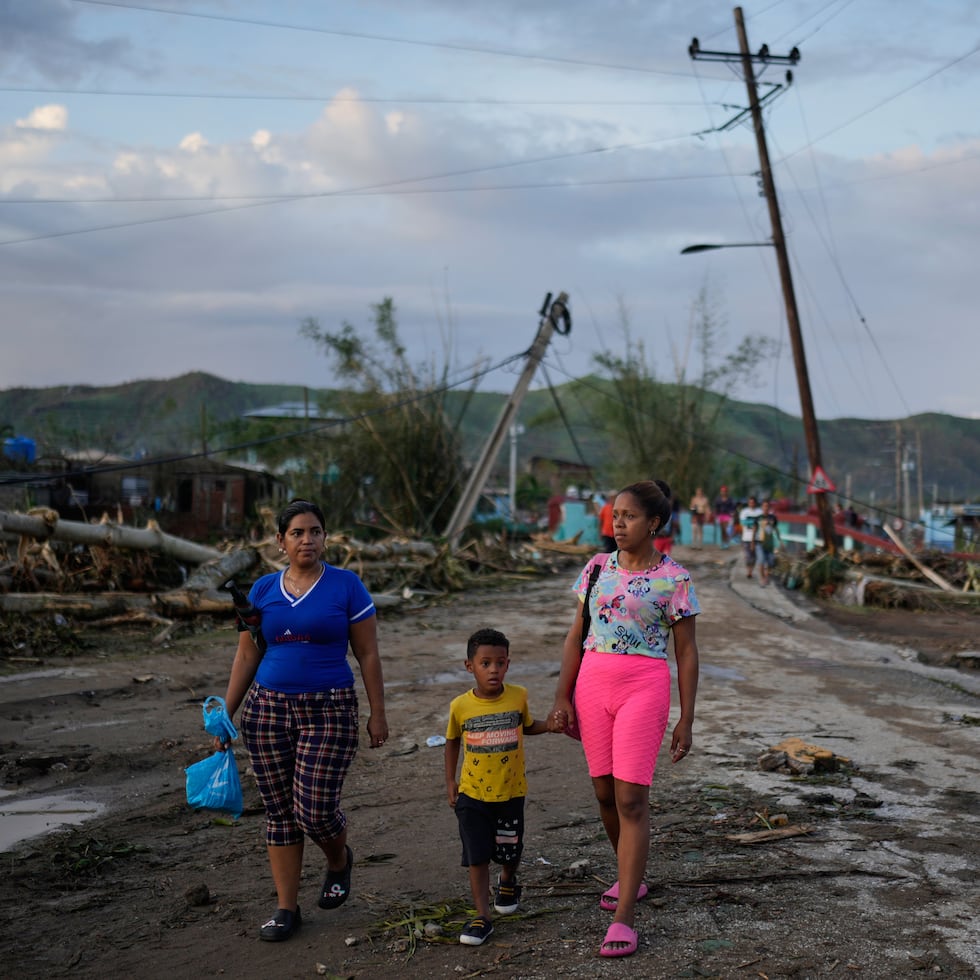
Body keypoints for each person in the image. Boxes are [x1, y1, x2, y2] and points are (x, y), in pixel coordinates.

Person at [215, 499, 388, 943]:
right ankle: (286, 908)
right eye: (297, 533)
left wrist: (377, 714)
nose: (307, 540)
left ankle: (337, 860)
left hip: (329, 708)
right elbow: (247, 653)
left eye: (314, 531)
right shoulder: (261, 591)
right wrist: (225, 716)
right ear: (280, 542)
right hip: (267, 710)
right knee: (279, 813)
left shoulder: (347, 587)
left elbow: (367, 653)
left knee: (313, 809)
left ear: (325, 537)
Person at [549, 480, 700, 958]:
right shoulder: (595, 569)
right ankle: (628, 875)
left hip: (644, 687)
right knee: (603, 793)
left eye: (629, 516)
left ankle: (625, 916)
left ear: (653, 523)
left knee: (631, 798)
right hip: (593, 686)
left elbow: (688, 652)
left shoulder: (675, 578)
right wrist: (562, 697)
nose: (618, 523)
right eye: (615, 515)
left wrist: (687, 718)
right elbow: (576, 636)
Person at [445, 628, 557, 946]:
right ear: (470, 666)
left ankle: (508, 880)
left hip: (510, 792)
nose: (493, 670)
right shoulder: (460, 706)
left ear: (508, 664)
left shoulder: (518, 696)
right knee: (477, 853)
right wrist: (450, 781)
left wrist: (550, 725)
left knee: (510, 849)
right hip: (472, 794)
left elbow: (527, 725)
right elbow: (452, 742)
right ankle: (482, 915)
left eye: (500, 663)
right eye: (485, 663)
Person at [755, 499, 781, 586]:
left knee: (770, 562)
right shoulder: (758, 518)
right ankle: (762, 578)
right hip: (760, 543)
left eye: (767, 506)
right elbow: (755, 530)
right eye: (764, 506)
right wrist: (752, 542)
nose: (765, 508)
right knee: (761, 561)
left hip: (769, 544)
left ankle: (766, 577)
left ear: (769, 508)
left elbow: (776, 530)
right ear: (762, 507)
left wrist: (780, 541)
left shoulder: (773, 518)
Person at [739, 495, 763, 578]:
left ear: (755, 503)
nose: (751, 504)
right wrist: (753, 522)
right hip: (746, 537)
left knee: (754, 556)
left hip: (757, 538)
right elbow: (743, 523)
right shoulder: (744, 512)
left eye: (753, 502)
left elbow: (761, 523)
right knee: (748, 556)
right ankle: (748, 571)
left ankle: (751, 571)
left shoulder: (760, 512)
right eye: (750, 502)